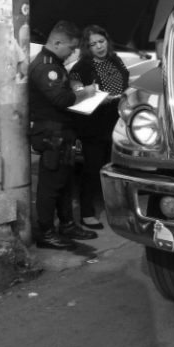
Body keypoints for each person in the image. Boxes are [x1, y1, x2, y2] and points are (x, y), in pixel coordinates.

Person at [28, 20, 100, 250]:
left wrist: (74, 87)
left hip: (61, 132)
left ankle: (67, 224)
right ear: (57, 42)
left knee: (65, 182)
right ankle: (46, 232)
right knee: (50, 185)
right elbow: (60, 99)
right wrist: (87, 93)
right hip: (51, 133)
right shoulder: (46, 66)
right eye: (70, 48)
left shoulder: (55, 64)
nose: (72, 53)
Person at [70, 25, 130, 230]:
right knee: (92, 168)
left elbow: (124, 81)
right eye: (93, 44)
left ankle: (118, 208)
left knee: (117, 168)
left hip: (117, 121)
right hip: (94, 123)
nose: (99, 47)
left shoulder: (115, 60)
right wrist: (95, 97)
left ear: (107, 40)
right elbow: (75, 94)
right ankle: (86, 212)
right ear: (87, 47)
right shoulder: (82, 68)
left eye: (101, 41)